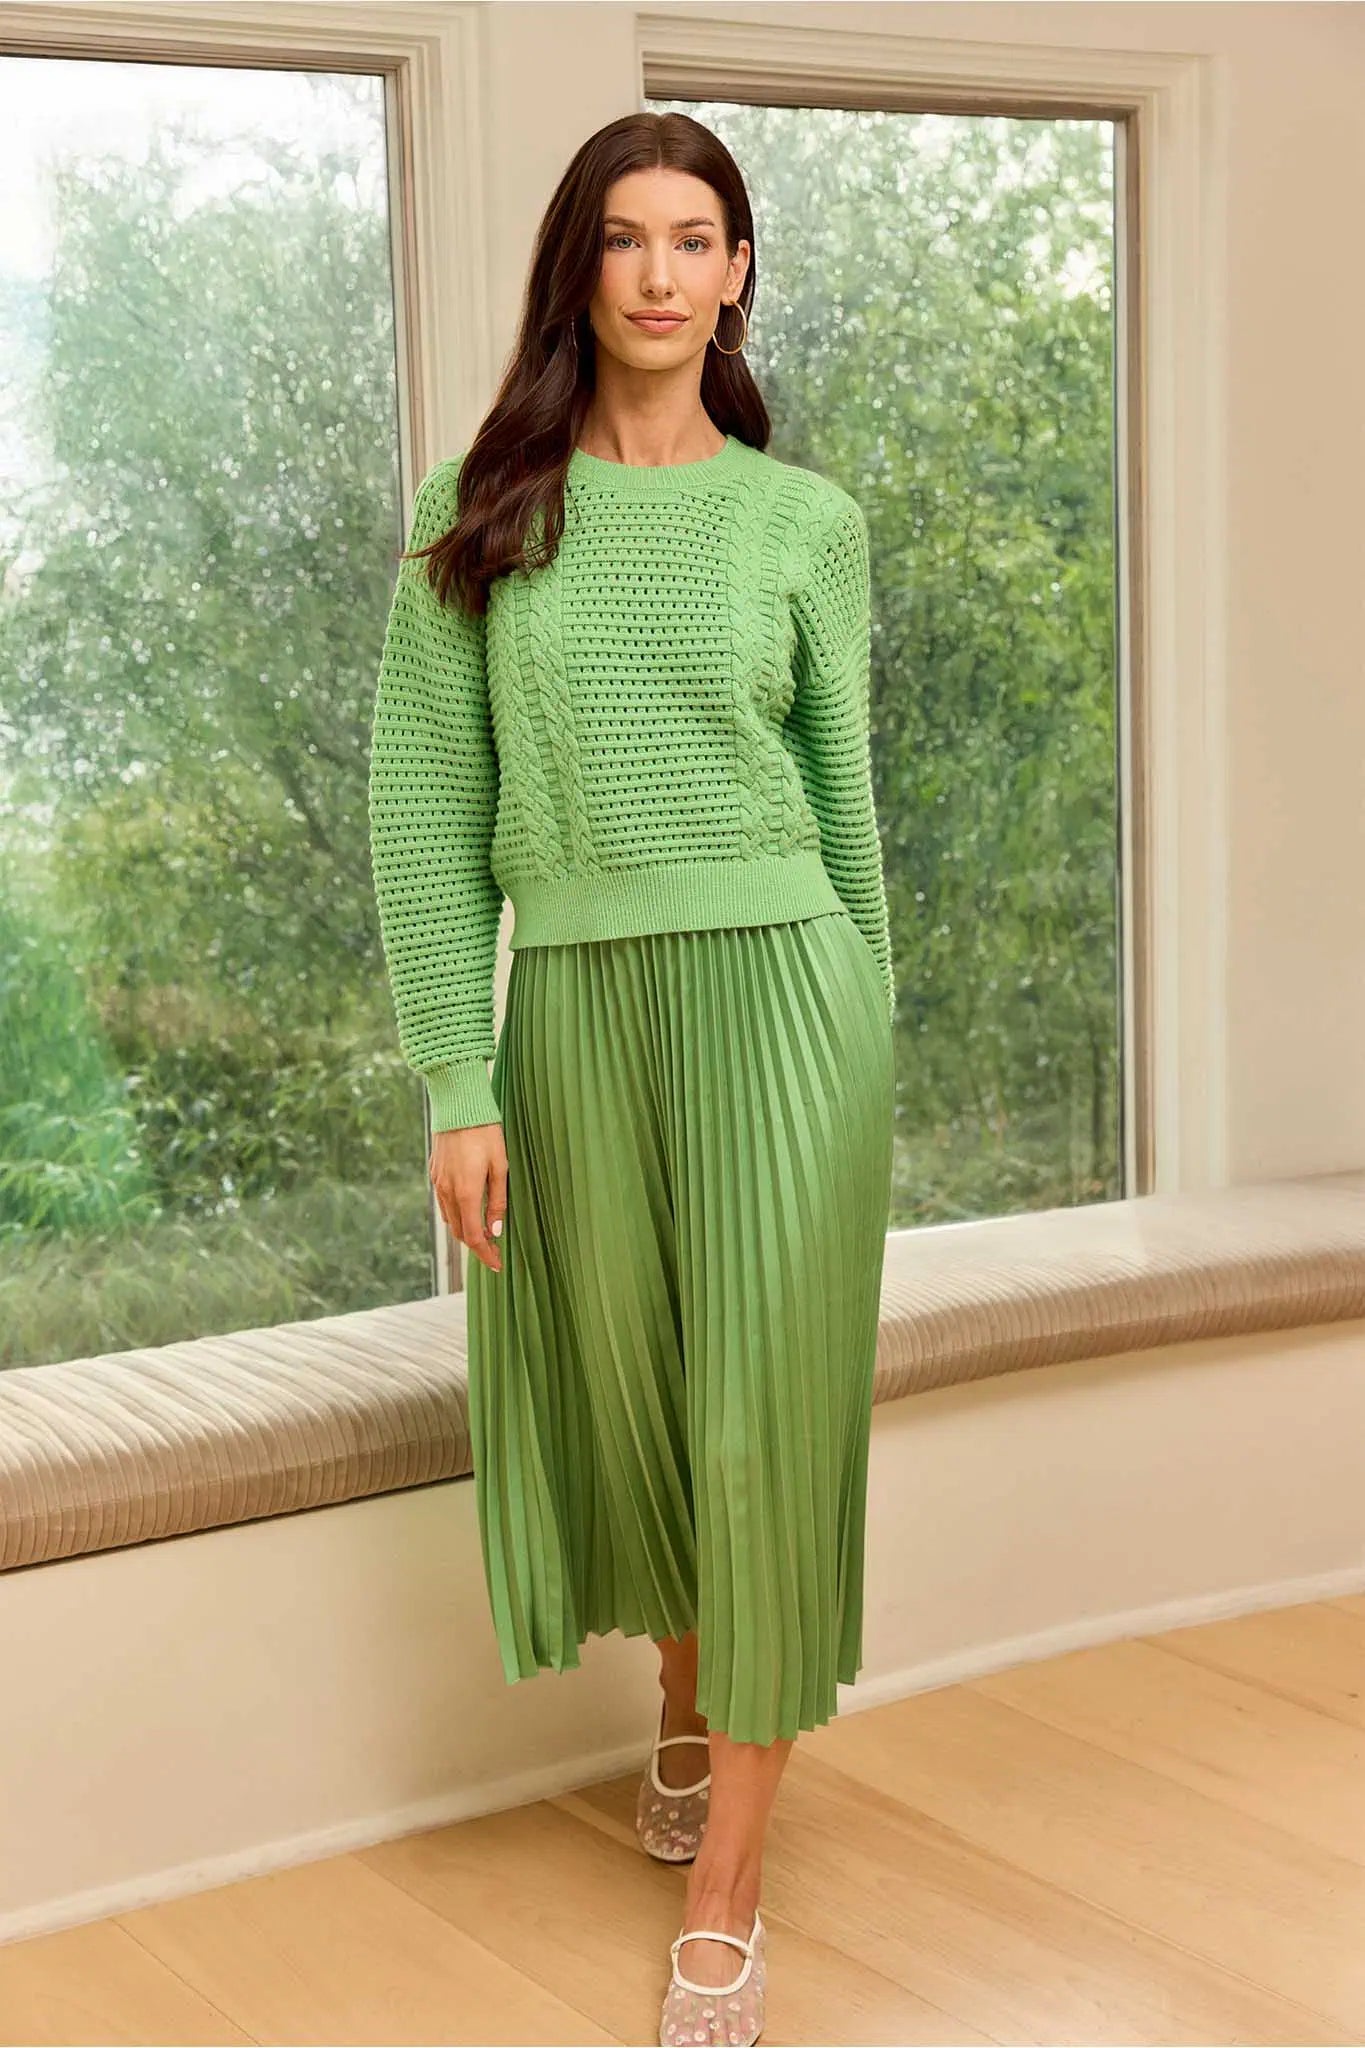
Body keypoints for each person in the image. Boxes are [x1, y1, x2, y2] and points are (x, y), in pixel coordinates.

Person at [367, 107, 895, 2048]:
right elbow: (424, 811)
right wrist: (457, 1077)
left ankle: (725, 1896)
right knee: (639, 1407)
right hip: (574, 1013)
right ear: (576, 270)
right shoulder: (485, 509)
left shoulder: (801, 523)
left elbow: (844, 813)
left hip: (787, 1006)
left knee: (758, 1431)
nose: (658, 273)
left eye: (693, 238)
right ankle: (683, 1698)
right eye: (622, 237)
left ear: (737, 274)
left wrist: (867, 1041)